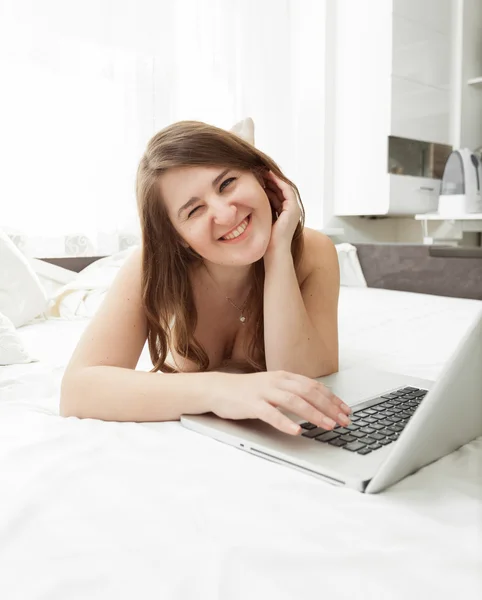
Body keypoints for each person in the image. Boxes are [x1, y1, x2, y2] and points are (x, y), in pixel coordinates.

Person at [60, 120, 352, 435]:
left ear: (262, 178)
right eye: (194, 210)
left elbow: (304, 383)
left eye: (227, 183)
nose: (226, 215)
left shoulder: (314, 251)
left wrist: (277, 252)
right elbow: (77, 391)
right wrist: (219, 390)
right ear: (178, 236)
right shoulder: (151, 265)